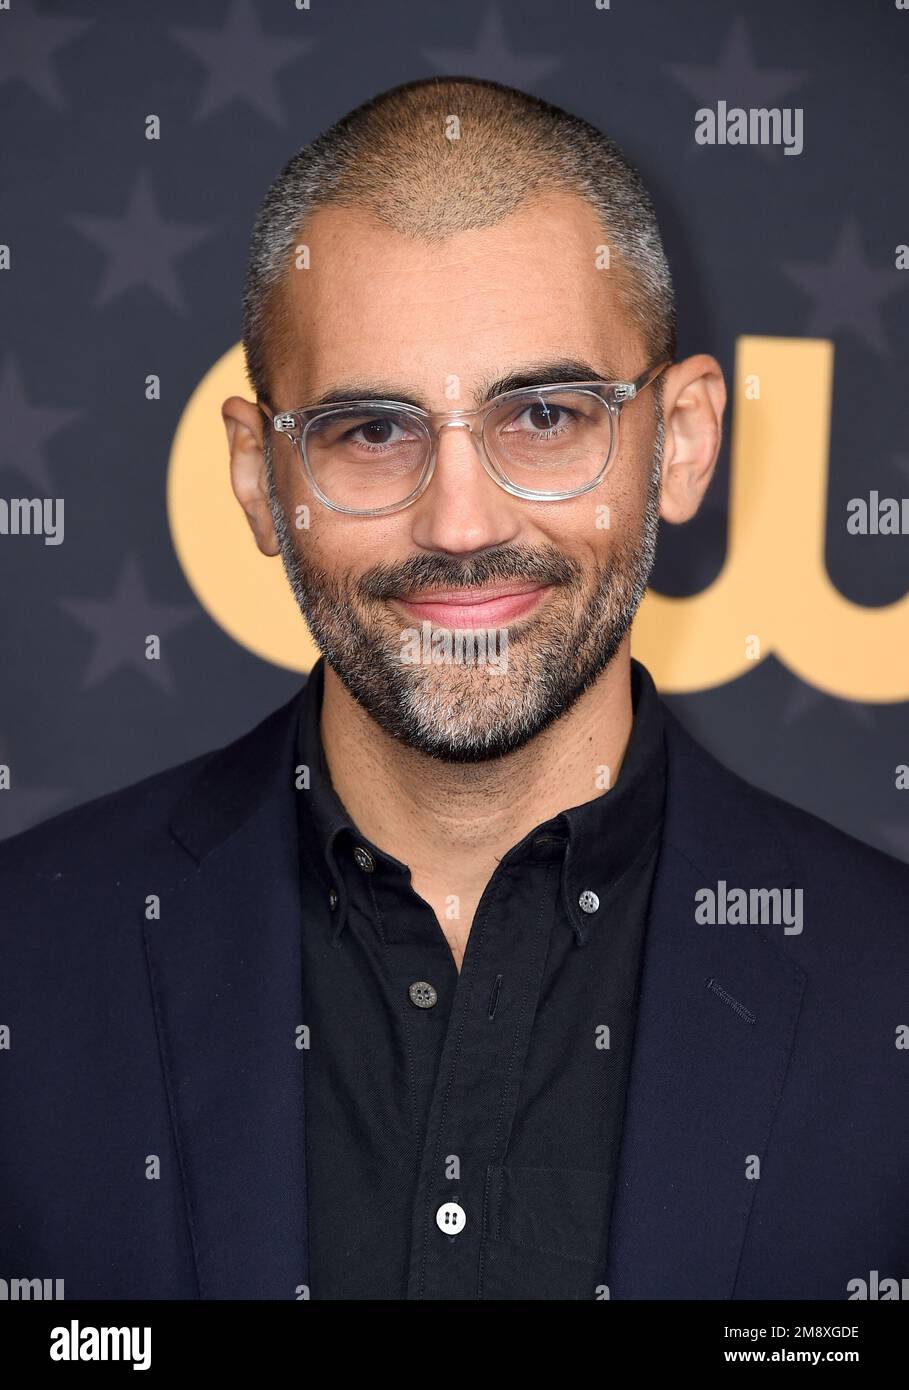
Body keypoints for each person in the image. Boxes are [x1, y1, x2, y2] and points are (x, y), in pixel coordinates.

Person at [1, 76, 907, 1302]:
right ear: (261, 480)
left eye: (544, 412)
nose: (460, 521)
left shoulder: (883, 985)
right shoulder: (30, 960)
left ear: (682, 442)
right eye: (372, 430)